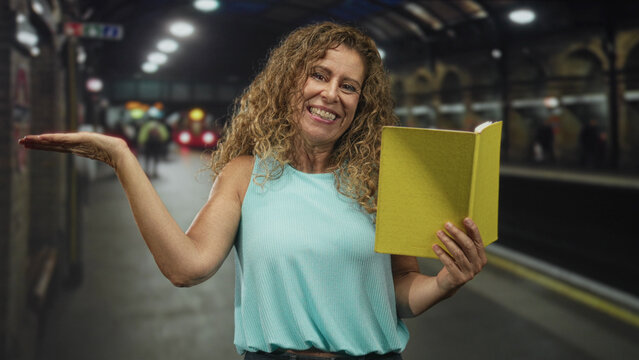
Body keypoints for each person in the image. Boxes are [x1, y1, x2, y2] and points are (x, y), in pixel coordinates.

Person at [19, 22, 486, 360]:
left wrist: (443, 283)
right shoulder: (245, 175)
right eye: (319, 75)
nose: (331, 94)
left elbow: (400, 291)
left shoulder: (382, 182)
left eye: (349, 86)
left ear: (361, 104)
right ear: (289, 83)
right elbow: (186, 267)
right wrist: (122, 158)